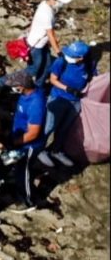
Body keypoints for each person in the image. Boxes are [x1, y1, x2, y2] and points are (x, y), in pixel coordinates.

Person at [39, 40, 94, 169]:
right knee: (49, 126)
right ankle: (40, 150)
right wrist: (67, 88)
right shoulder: (61, 61)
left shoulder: (88, 64)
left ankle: (56, 150)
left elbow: (91, 78)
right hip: (58, 98)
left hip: (75, 101)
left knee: (64, 128)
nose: (68, 57)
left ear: (81, 58)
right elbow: (53, 79)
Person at [2, 73, 46, 213]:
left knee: (23, 171)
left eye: (13, 86)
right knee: (15, 168)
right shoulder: (28, 93)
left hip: (29, 145)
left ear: (21, 87)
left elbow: (33, 133)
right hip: (19, 137)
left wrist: (15, 142)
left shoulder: (36, 104)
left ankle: (27, 200)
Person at [25, 0, 71, 82]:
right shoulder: (46, 13)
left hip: (42, 43)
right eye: (58, 0)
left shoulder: (46, 5)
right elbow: (50, 34)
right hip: (36, 45)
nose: (60, 3)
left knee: (47, 65)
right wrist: (58, 51)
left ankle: (39, 85)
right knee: (34, 69)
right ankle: (3, 81)